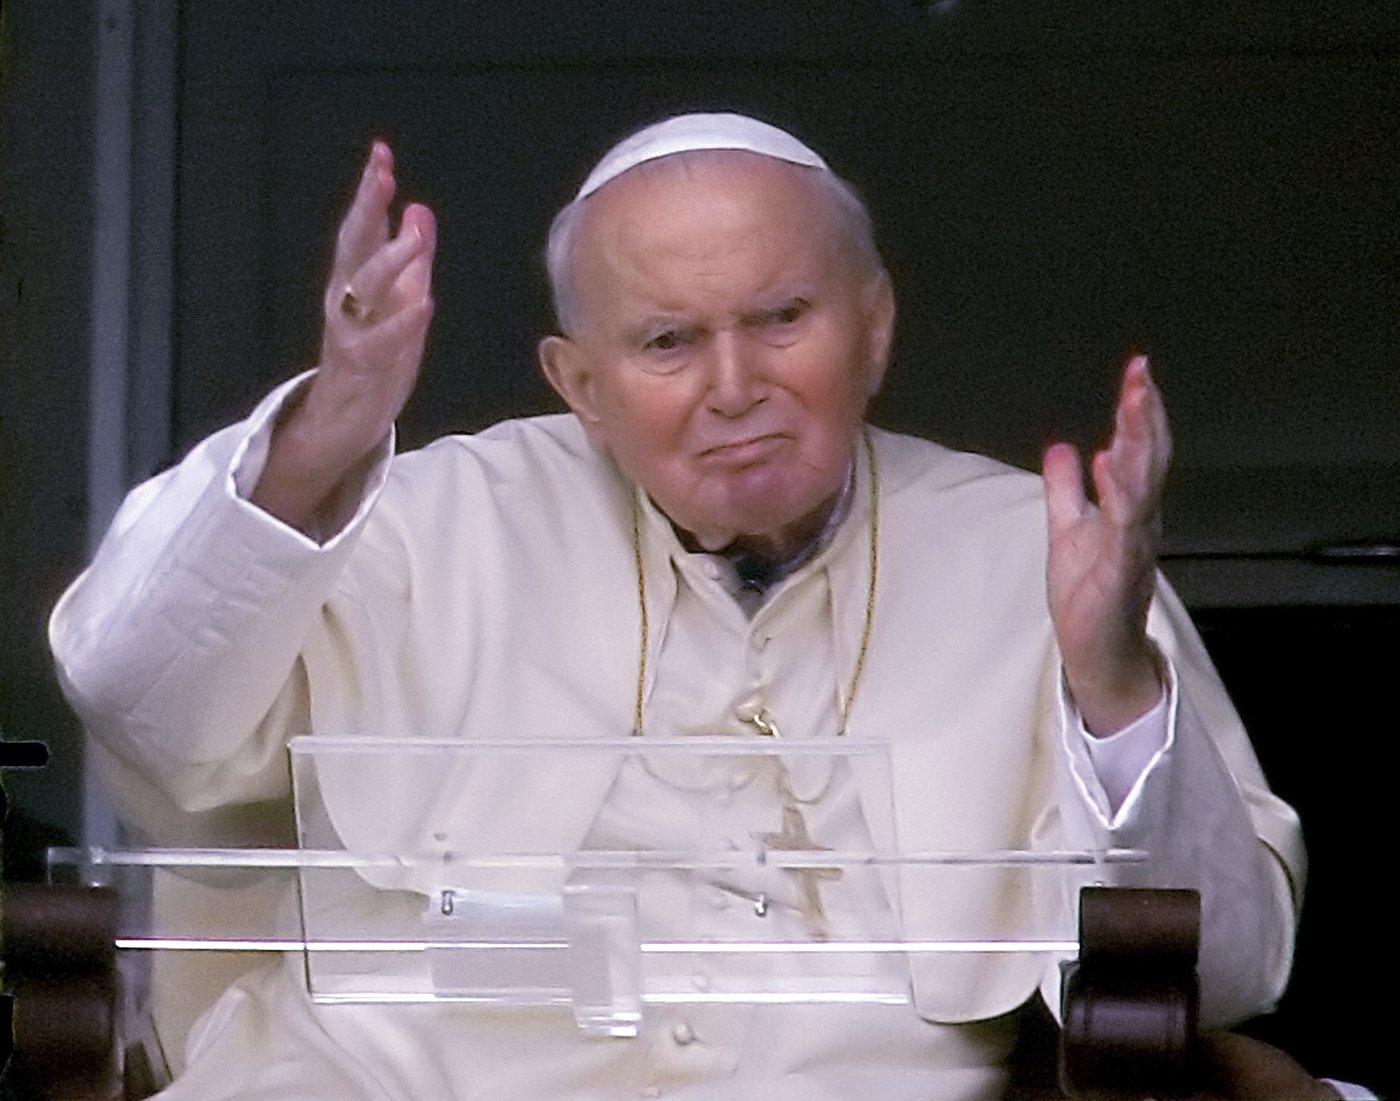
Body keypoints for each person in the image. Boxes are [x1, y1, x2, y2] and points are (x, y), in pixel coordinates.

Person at [51, 114, 1306, 1100]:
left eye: (782, 319)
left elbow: (1221, 969)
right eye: (666, 342)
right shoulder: (417, 519)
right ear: (578, 381)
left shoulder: (1030, 551)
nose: (733, 385)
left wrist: (1110, 691)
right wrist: (323, 432)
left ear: (871, 328)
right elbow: (138, 698)